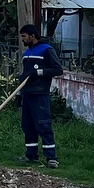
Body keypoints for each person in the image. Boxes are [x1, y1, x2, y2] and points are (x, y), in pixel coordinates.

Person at [19, 23, 64, 168]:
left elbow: (57, 70)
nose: (22, 39)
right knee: (27, 126)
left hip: (40, 95)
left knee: (43, 125)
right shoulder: (26, 54)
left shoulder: (46, 50)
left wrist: (38, 73)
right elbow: (25, 76)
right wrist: (19, 94)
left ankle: (51, 158)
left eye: (24, 36)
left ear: (32, 36)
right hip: (27, 94)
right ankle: (31, 155)